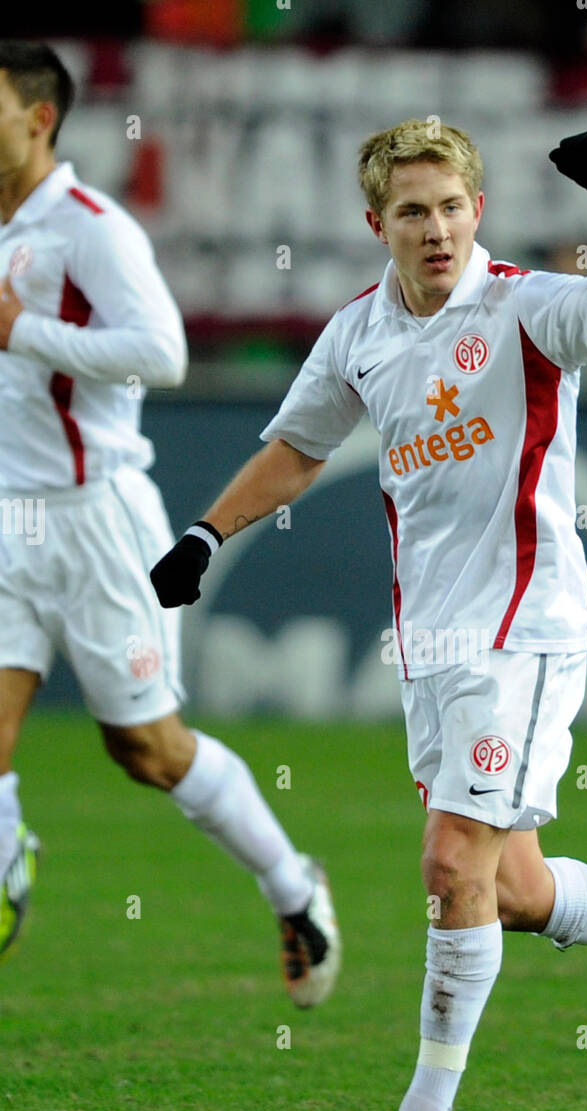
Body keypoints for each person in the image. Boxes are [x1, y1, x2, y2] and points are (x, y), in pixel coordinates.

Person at [151, 119, 587, 1111]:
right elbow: (297, 450)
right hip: (431, 646)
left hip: (522, 632)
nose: (433, 229)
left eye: (449, 207)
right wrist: (205, 534)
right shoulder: (358, 335)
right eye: (410, 212)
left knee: (446, 866)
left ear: (476, 211)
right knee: (510, 890)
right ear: (374, 224)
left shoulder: (525, 310)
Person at [0, 41, 340, 1006]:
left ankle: (292, 884)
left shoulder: (90, 229)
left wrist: (21, 329)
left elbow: (163, 352)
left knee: (146, 750)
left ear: (38, 117)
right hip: (5, 521)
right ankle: (6, 870)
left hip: (97, 522)